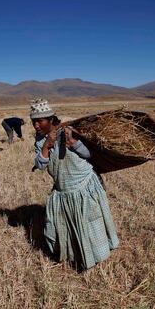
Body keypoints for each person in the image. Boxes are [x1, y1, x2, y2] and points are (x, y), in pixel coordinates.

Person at [30, 98, 119, 270]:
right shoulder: (40, 141)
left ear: (50, 119)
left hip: (83, 186)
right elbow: (40, 165)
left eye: (39, 121)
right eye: (33, 121)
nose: (36, 125)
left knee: (91, 223)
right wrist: (46, 146)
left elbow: (89, 154)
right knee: (65, 225)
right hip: (63, 189)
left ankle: (98, 256)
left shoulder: (69, 130)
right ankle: (76, 255)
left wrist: (74, 144)